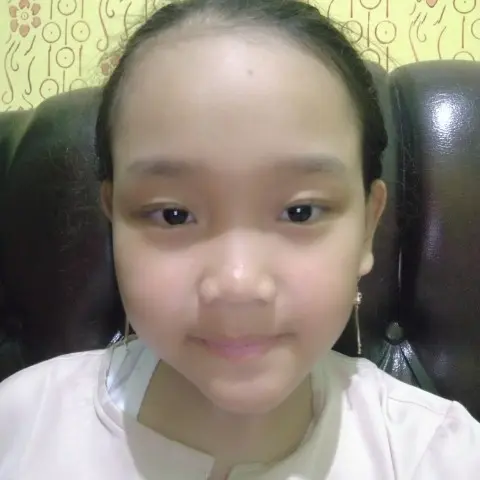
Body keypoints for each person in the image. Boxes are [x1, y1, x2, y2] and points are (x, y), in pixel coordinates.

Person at [0, 0, 479, 478]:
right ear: (114, 220)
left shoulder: (438, 453)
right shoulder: (22, 423)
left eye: (300, 212)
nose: (237, 284)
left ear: (367, 228)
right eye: (173, 215)